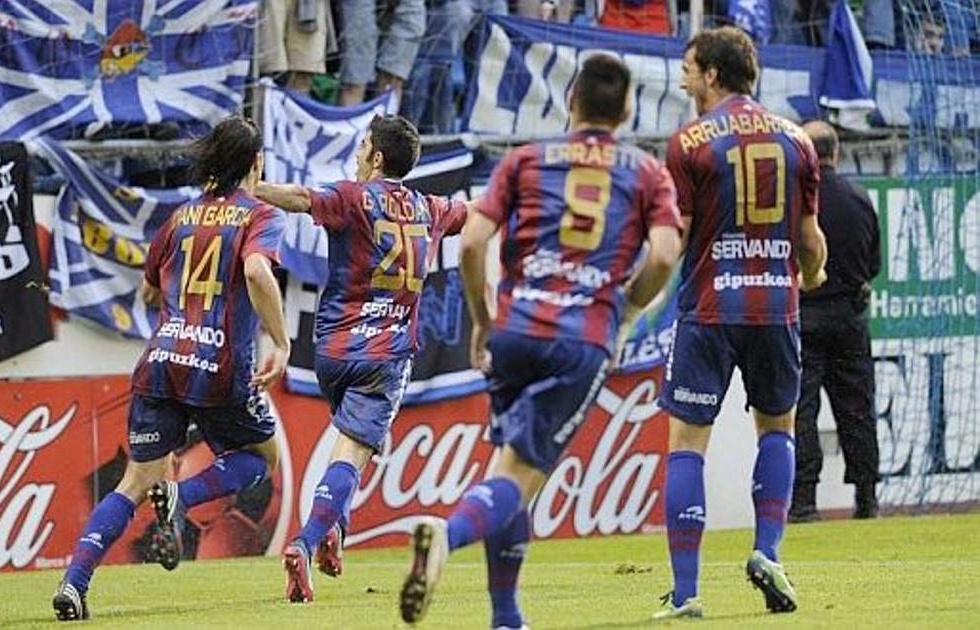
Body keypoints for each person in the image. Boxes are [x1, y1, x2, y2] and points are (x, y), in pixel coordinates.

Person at [398, 53, 683, 627]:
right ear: (628, 109)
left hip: (516, 330)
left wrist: (482, 319)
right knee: (520, 475)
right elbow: (666, 253)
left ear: (570, 101)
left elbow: (473, 243)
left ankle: (507, 617)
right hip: (581, 338)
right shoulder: (645, 171)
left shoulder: (524, 160)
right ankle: (445, 537)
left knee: (511, 472)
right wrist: (627, 305)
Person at [51, 116, 290, 621]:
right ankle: (183, 495)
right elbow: (254, 270)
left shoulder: (180, 216)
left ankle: (74, 583)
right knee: (260, 457)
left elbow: (148, 290)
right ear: (254, 164)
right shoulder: (260, 216)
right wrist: (283, 341)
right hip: (219, 363)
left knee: (135, 482)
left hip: (162, 359)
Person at [253, 114, 468, 603]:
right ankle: (307, 542)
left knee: (346, 445)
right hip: (386, 353)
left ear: (376, 158)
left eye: (363, 145)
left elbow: (301, 199)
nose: (356, 153)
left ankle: (335, 530)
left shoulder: (351, 196)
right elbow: (476, 214)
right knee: (354, 452)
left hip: (330, 351)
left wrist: (254, 187)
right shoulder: (429, 208)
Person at [654, 26, 828, 619]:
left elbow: (675, 239)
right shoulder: (798, 141)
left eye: (688, 67)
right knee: (777, 431)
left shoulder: (688, 143)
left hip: (708, 309)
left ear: (712, 75)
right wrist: (813, 275)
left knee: (685, 446)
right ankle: (768, 552)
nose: (682, 77)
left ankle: (685, 595)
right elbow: (810, 242)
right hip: (776, 308)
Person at [790, 120, 881, 523]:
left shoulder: (795, 201)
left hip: (804, 317)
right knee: (857, 408)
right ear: (837, 152)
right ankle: (866, 498)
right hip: (849, 319)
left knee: (800, 411)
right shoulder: (860, 199)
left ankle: (805, 501)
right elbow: (873, 264)